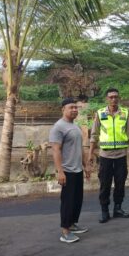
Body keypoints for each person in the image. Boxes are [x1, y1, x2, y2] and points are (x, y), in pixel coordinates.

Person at [88, 87, 129, 223]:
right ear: (106, 99)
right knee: (105, 184)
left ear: (119, 98)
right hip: (105, 156)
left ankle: (118, 208)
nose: (113, 99)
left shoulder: (125, 113)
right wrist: (90, 153)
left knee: (120, 183)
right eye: (111, 97)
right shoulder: (100, 114)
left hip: (121, 155)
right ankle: (104, 211)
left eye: (116, 97)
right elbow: (94, 135)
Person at [49, 98, 91, 243]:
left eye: (75, 107)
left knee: (77, 200)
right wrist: (60, 172)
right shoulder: (58, 127)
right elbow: (56, 150)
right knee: (68, 201)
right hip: (67, 171)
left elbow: (80, 148)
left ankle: (72, 224)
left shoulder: (75, 126)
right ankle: (65, 232)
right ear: (63, 109)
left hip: (77, 169)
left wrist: (86, 165)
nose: (74, 110)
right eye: (71, 107)